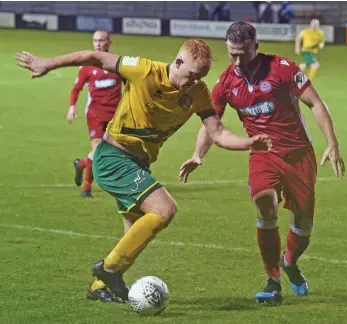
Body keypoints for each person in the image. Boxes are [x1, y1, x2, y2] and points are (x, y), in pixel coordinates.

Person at [16, 39, 271, 303]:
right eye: (192, 76)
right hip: (114, 157)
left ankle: (99, 286)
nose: (194, 82)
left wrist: (247, 143)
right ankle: (107, 269)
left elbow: (216, 132)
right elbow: (96, 56)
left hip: (139, 164)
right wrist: (46, 63)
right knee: (165, 209)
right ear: (178, 62)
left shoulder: (197, 91)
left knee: (134, 233)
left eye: (200, 78)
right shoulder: (144, 70)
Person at [179, 22, 344, 305]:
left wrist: (332, 142)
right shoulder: (226, 83)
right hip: (263, 154)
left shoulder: (282, 69)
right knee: (264, 202)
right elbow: (211, 124)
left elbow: (315, 103)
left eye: (242, 53)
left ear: (256, 46)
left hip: (298, 154)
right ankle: (273, 280)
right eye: (232, 54)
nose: (238, 60)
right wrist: (198, 154)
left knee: (302, 226)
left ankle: (289, 262)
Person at [68, 30, 123, 198]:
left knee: (114, 152)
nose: (98, 44)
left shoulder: (118, 63)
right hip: (95, 114)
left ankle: (82, 164)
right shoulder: (87, 66)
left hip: (116, 115)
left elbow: (131, 85)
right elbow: (76, 88)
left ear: (109, 42)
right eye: (95, 40)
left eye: (102, 40)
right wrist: (72, 106)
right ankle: (86, 188)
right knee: (99, 150)